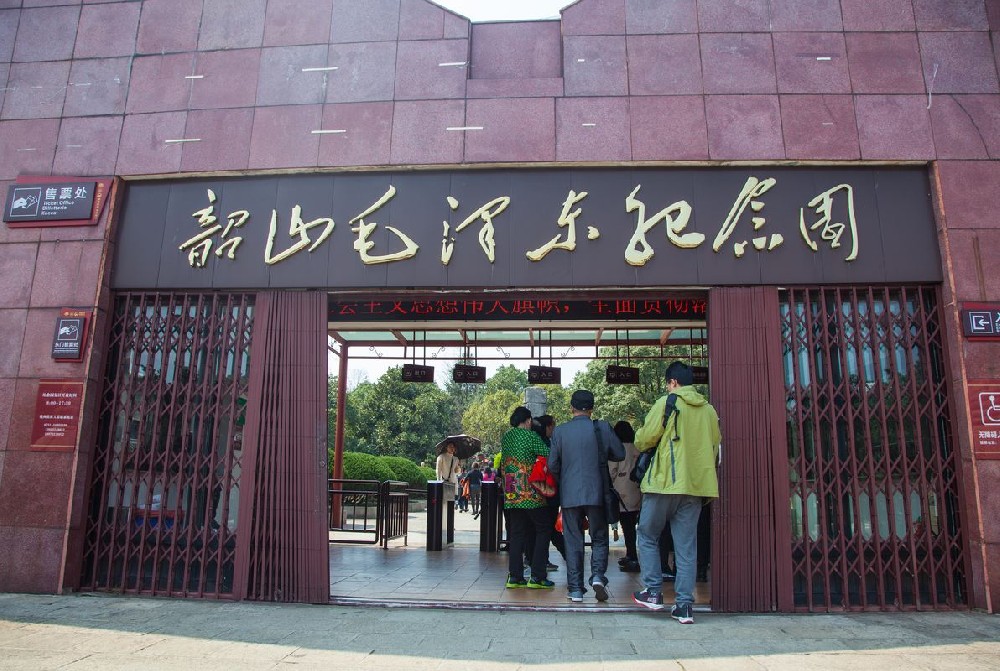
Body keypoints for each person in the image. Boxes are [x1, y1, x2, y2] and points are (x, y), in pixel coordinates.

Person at [632, 361, 721, 625]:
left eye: (667, 384)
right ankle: (684, 606)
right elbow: (715, 445)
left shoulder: (667, 402)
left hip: (663, 483)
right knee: (686, 548)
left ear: (673, 382)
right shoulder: (709, 411)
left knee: (647, 534)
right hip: (694, 487)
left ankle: (653, 591)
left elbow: (644, 439)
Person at [548, 390, 625, 603]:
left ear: (571, 408)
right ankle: (598, 576)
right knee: (599, 537)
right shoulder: (602, 428)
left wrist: (565, 479)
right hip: (597, 492)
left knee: (573, 540)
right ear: (592, 408)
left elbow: (552, 464)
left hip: (570, 494)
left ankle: (575, 589)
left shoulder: (560, 431)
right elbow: (620, 453)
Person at [499, 406, 555, 589]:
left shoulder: (507, 437)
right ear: (528, 420)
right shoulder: (531, 437)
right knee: (544, 528)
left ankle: (515, 577)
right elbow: (548, 454)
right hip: (530, 492)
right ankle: (537, 576)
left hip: (511, 491)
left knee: (516, 533)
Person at [528, 415, 564, 570]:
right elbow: (553, 465)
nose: (554, 429)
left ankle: (536, 560)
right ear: (547, 427)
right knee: (548, 527)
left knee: (537, 528)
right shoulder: (546, 444)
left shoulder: (533, 441)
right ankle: (545, 561)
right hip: (548, 491)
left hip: (535, 491)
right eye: (553, 426)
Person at [610, 420, 642, 573]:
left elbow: (612, 471)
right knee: (633, 526)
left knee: (626, 526)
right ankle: (631, 554)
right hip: (637, 490)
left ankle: (632, 556)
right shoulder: (637, 448)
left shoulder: (616, 449)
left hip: (621, 492)